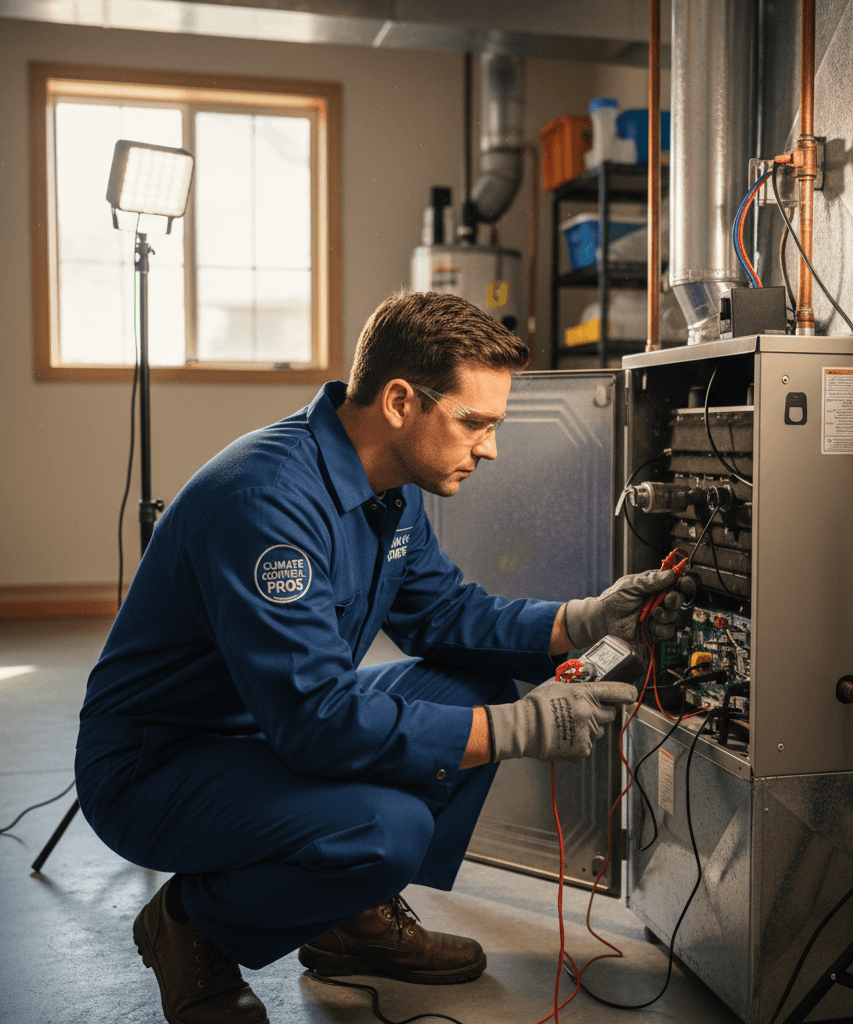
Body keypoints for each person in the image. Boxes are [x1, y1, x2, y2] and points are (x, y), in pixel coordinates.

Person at [76, 291, 684, 1024]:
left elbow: (447, 615)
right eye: (474, 422)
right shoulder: (265, 501)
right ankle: (192, 925)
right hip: (158, 765)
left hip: (264, 728)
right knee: (384, 829)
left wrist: (587, 619)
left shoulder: (386, 487)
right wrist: (521, 729)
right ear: (400, 401)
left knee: (473, 681)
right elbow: (313, 721)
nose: (489, 447)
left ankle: (348, 918)